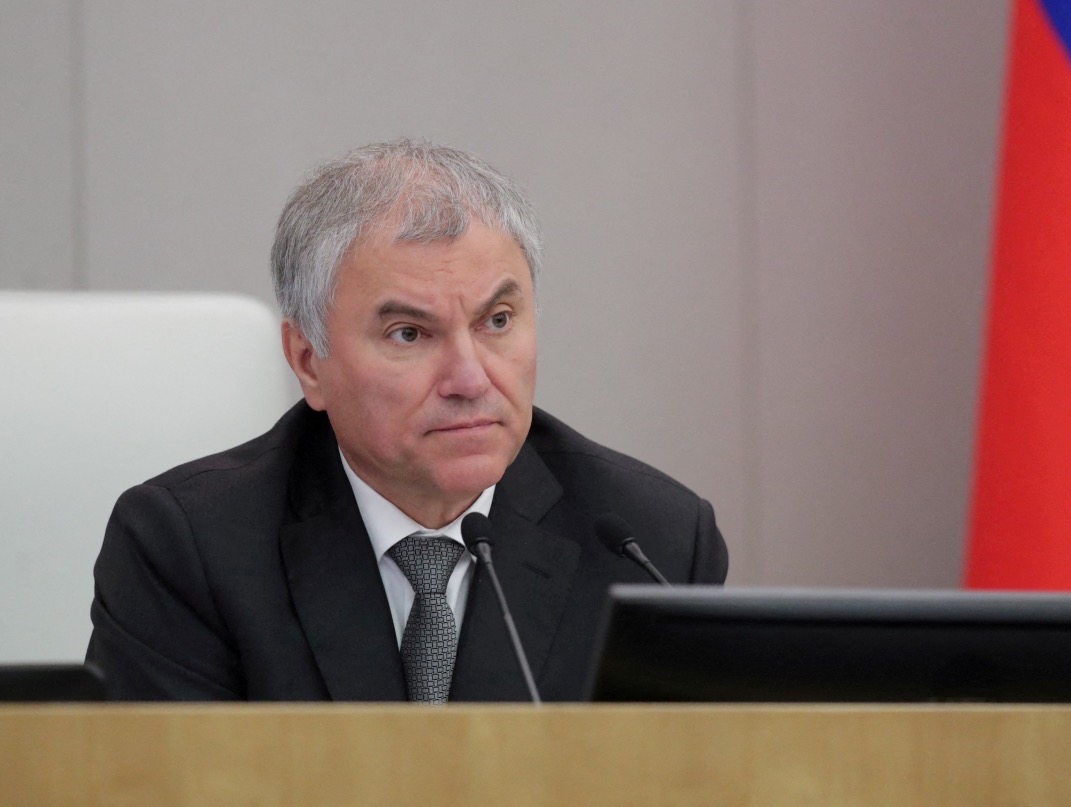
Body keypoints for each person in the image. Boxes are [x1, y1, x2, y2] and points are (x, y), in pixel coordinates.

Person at [86, 139, 728, 701]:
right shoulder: (190, 547)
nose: (470, 380)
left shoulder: (654, 545)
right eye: (409, 333)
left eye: (497, 321)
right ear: (308, 362)